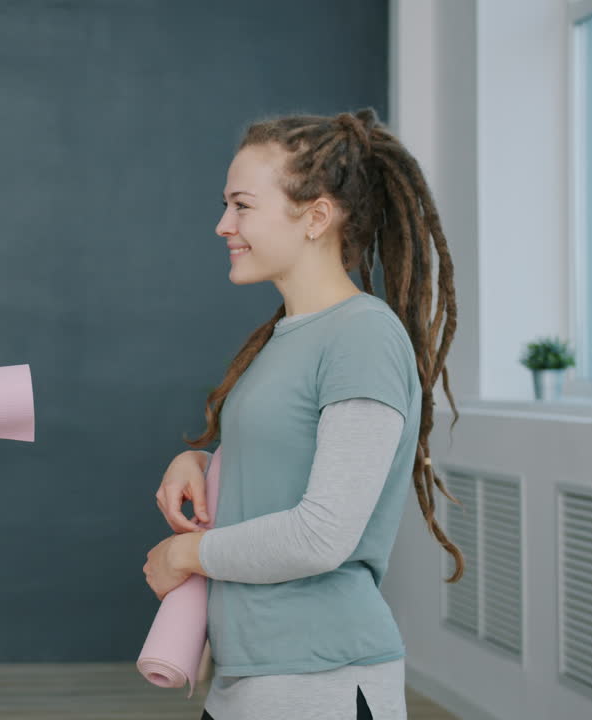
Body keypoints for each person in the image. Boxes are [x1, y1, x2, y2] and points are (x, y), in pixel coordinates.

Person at [142, 109, 463, 720]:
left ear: (316, 215)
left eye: (242, 206)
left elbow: (322, 534)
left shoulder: (362, 338)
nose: (222, 225)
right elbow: (288, 462)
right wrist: (203, 461)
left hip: (318, 682)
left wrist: (183, 555)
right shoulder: (288, 337)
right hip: (250, 675)